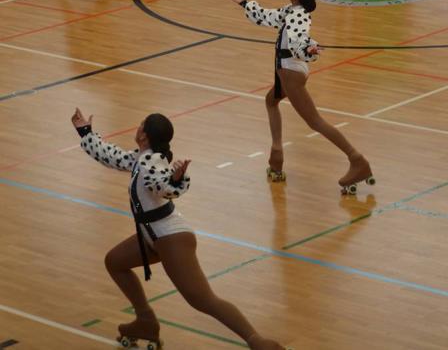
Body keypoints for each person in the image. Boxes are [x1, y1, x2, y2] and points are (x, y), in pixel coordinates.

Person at [70, 108, 287, 350]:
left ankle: (258, 341)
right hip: (153, 236)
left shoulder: (151, 162)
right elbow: (111, 155)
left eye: (141, 124)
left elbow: (161, 185)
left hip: (170, 238)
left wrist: (174, 180)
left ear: (145, 136)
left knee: (202, 299)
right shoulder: (142, 158)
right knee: (115, 262)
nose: (138, 127)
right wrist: (85, 132)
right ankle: (145, 320)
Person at [228, 0, 375, 193]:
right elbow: (268, 17)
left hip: (290, 72)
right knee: (271, 101)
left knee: (315, 122)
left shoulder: (298, 15)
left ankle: (358, 160)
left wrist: (308, 49)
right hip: (287, 70)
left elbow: (298, 40)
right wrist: (244, 2)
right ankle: (276, 154)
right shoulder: (291, 10)